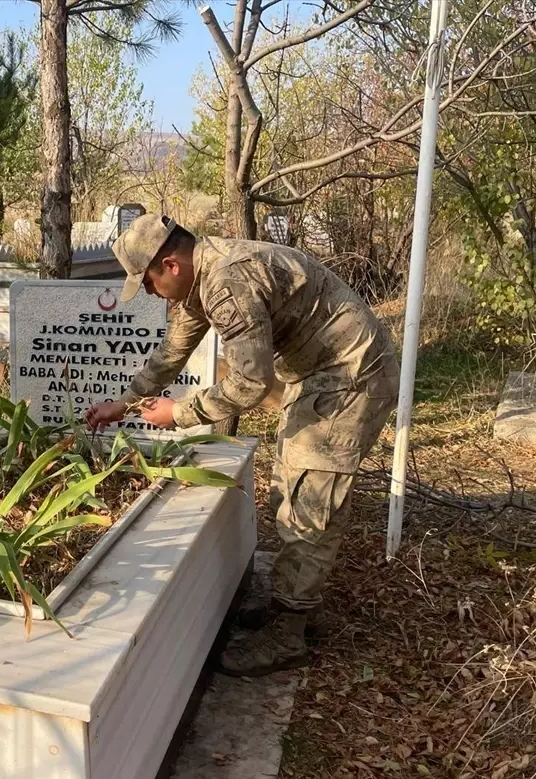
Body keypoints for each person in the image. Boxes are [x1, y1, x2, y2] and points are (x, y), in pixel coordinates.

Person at [84, 214, 399, 676]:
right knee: (287, 491)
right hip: (319, 375)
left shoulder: (227, 281)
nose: (148, 293)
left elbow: (251, 383)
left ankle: (289, 634)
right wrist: (125, 401)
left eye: (147, 282)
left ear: (170, 265)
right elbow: (173, 351)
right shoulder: (199, 277)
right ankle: (299, 606)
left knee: (309, 503)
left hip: (351, 378)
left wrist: (180, 413)